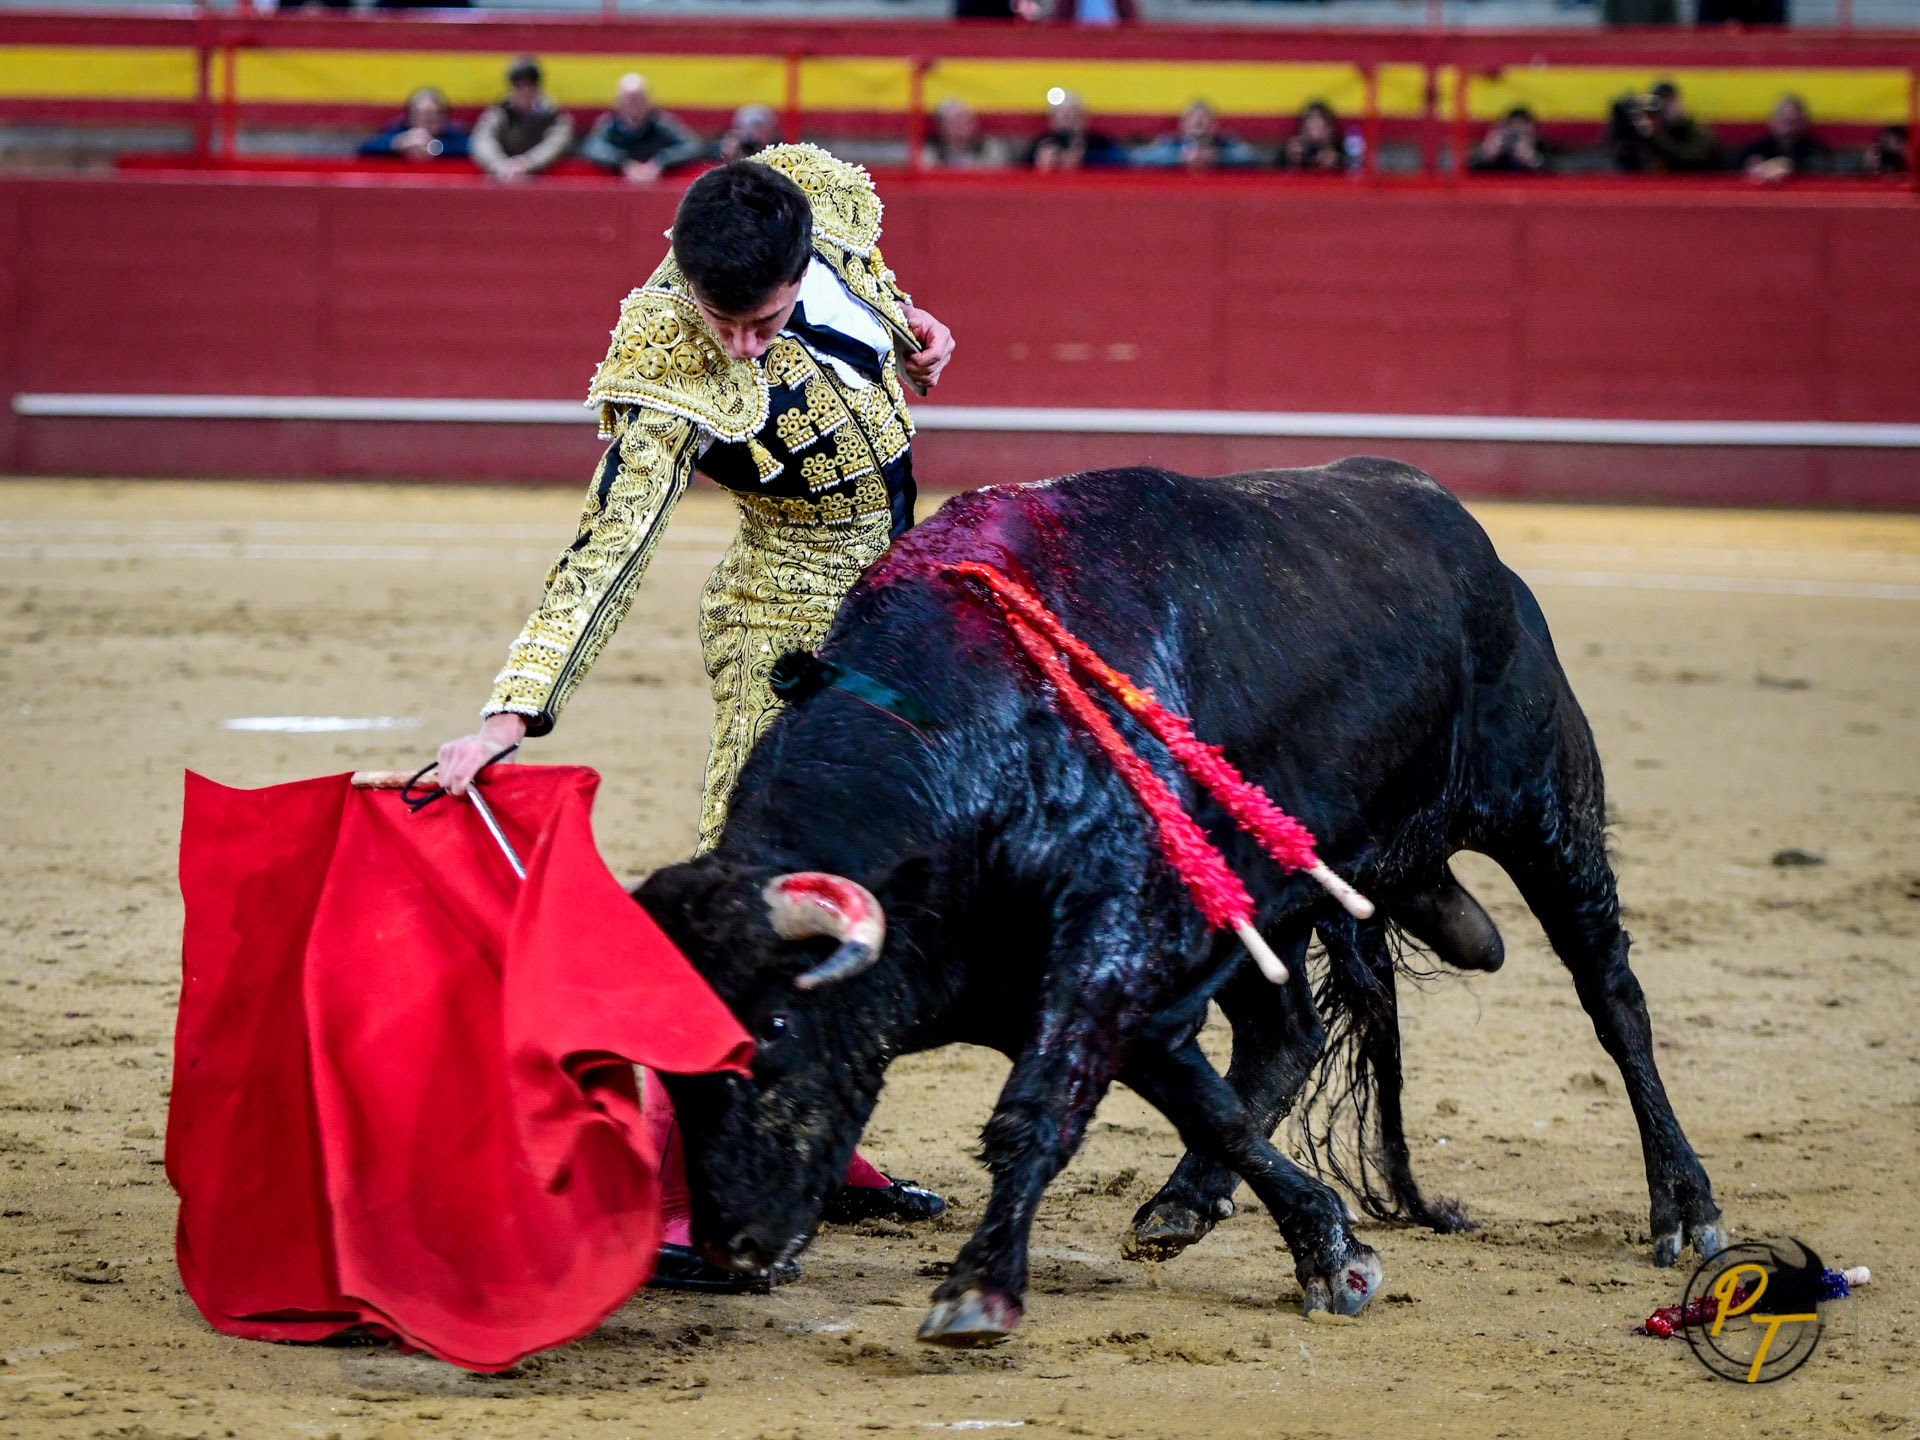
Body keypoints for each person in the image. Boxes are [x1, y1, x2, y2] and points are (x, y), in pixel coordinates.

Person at [435, 149, 957, 1281]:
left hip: (896, 608)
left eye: (762, 321)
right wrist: (514, 712)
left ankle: (827, 1142)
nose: (741, 347)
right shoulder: (664, 356)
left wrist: (914, 327)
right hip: (786, 623)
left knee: (879, 879)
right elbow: (609, 548)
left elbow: (869, 295)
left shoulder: (816, 211)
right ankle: (676, 1199)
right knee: (751, 900)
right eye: (723, 322)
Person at [580, 73, 703, 184]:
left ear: (649, 101)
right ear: (617, 102)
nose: (633, 105)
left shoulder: (661, 123)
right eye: (628, 99)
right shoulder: (608, 124)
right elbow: (591, 147)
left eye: (638, 99)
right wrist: (624, 164)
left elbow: (692, 146)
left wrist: (659, 163)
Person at [470, 57, 575, 184]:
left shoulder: (554, 115)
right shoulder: (500, 112)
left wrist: (525, 164)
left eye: (530, 85)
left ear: (538, 87)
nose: (525, 91)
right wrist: (501, 166)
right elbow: (483, 140)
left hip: (542, 181)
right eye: (519, 85)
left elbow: (555, 144)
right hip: (502, 178)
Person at [1608, 80, 1725, 173]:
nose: (1665, 109)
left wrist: (1651, 134)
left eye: (1670, 102)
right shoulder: (1660, 133)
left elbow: (1689, 161)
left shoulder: (1699, 133)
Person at [1131, 100, 1257, 171]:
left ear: (1214, 125)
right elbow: (1138, 158)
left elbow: (1254, 157)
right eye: (1193, 118)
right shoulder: (1171, 142)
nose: (1199, 122)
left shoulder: (1227, 143)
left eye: (1204, 118)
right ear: (1183, 124)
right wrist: (1178, 157)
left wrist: (1219, 157)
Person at [358, 86, 469, 163]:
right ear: (409, 116)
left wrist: (435, 147)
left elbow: (471, 149)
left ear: (444, 116)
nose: (426, 121)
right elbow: (365, 149)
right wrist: (398, 144)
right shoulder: (398, 131)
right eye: (420, 115)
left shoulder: (454, 134)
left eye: (431, 116)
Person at [1737, 95, 1829, 183]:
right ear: (1772, 120)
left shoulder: (1815, 148)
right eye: (1784, 120)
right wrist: (1752, 167)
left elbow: (1823, 167)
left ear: (1803, 122)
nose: (1788, 127)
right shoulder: (1756, 147)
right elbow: (1735, 168)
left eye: (1793, 121)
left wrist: (1790, 167)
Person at [1027, 91, 1125, 171]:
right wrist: (1042, 167)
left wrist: (1084, 161)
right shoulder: (1040, 146)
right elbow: (1022, 171)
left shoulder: (1101, 145)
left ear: (1084, 118)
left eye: (1074, 114)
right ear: (1052, 120)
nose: (1068, 120)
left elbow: (1123, 168)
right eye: (1063, 115)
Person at [923, 97, 1012, 170]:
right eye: (958, 120)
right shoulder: (930, 154)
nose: (966, 124)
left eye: (968, 119)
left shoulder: (991, 150)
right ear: (942, 126)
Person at [1470, 106, 1555, 174]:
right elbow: (1466, 168)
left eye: (1523, 133)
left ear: (1534, 132)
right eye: (1511, 126)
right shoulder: (1493, 150)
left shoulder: (1546, 149)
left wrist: (1534, 160)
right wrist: (1484, 155)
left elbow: (1558, 169)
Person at [1278, 100, 1346, 172]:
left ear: (1330, 128)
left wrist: (1336, 165)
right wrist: (1290, 162)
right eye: (1309, 126)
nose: (1313, 124)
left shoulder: (1343, 153)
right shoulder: (1292, 153)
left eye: (1318, 125)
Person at [716, 104, 780, 162]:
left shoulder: (779, 152)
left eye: (758, 128)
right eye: (750, 128)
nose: (754, 135)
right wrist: (729, 156)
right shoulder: (736, 149)